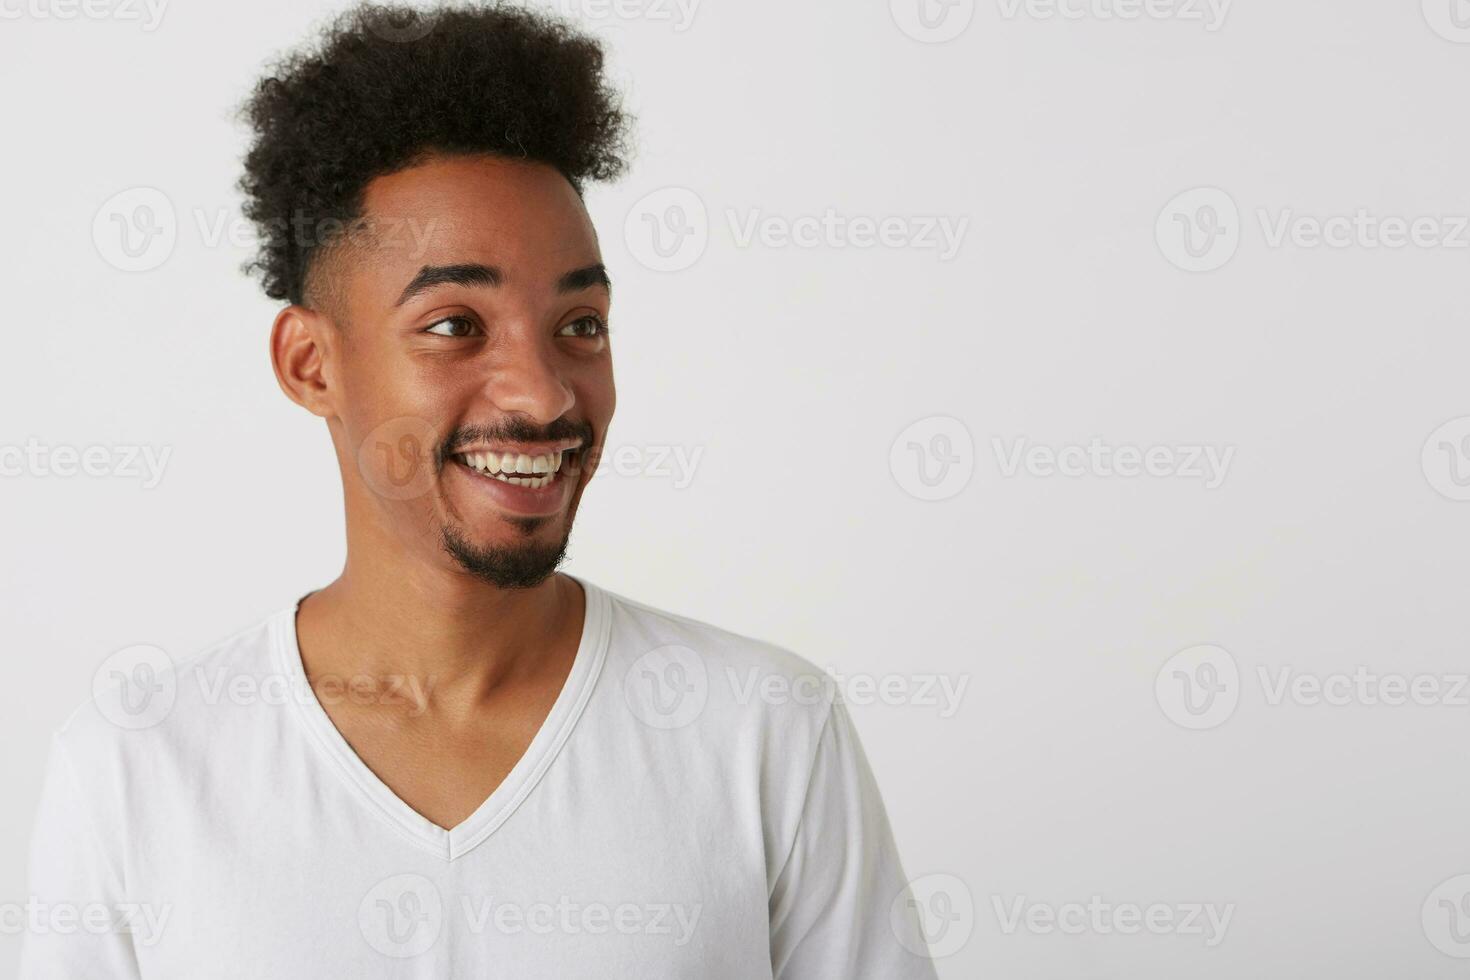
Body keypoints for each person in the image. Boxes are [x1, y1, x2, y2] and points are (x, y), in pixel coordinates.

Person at [20, 4, 937, 976]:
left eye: (579, 324)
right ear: (310, 363)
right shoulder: (141, 765)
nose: (543, 393)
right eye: (455, 325)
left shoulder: (766, 731)